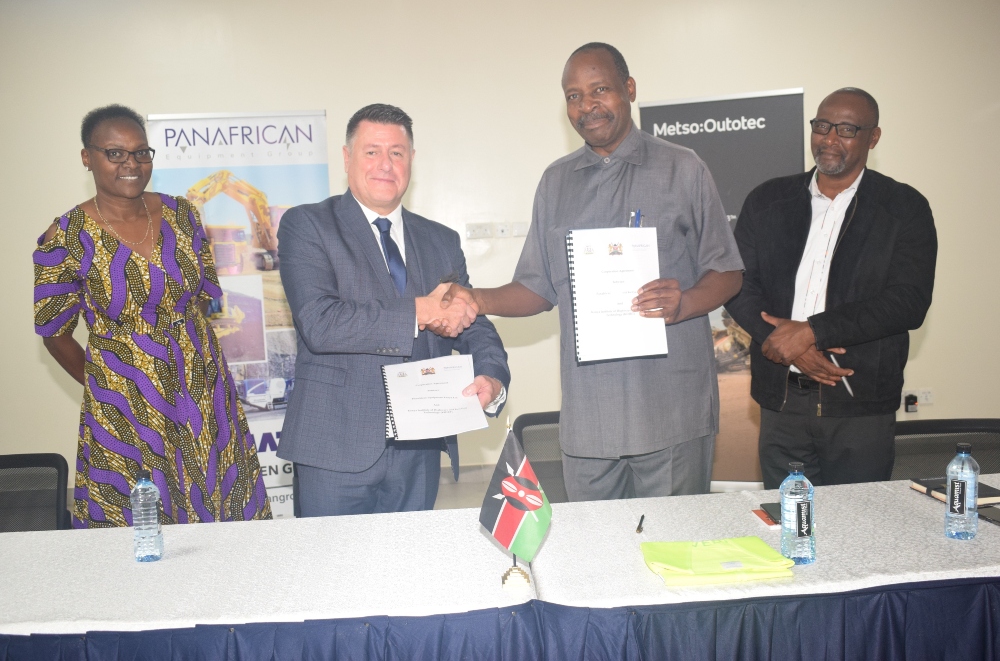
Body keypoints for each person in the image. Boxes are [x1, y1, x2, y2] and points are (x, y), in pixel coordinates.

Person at [440, 43, 743, 501]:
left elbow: (728, 272)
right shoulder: (556, 182)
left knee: (675, 554)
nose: (586, 106)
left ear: (629, 89)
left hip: (671, 410)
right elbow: (538, 287)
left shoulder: (683, 168)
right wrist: (477, 299)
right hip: (590, 422)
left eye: (599, 89)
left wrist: (686, 302)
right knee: (596, 558)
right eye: (573, 96)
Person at [33, 104, 272, 527]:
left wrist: (182, 349)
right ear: (87, 157)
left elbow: (204, 296)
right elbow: (55, 334)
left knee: (222, 515)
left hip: (201, 391)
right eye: (116, 153)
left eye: (142, 153)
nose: (132, 164)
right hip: (125, 405)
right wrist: (107, 387)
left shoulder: (183, 215)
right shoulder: (66, 236)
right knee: (135, 530)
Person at [277, 104, 510, 517]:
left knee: (409, 574)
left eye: (397, 153)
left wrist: (492, 375)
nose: (385, 164)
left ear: (411, 161)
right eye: (371, 152)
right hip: (335, 448)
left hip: (418, 450)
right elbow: (321, 323)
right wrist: (419, 311)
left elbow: (473, 321)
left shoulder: (441, 240)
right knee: (331, 576)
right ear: (347, 158)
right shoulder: (307, 225)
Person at [724, 88, 937, 489]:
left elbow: (908, 301)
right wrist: (785, 343)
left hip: (860, 404)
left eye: (846, 129)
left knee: (859, 530)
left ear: (873, 138)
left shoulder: (904, 207)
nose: (829, 138)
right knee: (789, 527)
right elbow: (737, 284)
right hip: (781, 401)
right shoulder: (768, 200)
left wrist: (812, 331)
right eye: (822, 126)